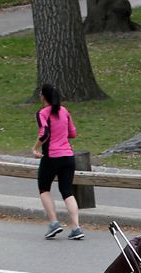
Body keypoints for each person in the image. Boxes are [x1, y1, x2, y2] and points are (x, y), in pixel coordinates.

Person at [32, 83, 86, 240]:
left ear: (43, 96)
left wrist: (35, 148)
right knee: (67, 191)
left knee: (44, 189)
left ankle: (54, 223)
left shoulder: (42, 113)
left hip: (51, 157)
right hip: (68, 157)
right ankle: (76, 227)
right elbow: (73, 133)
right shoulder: (65, 111)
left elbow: (44, 133)